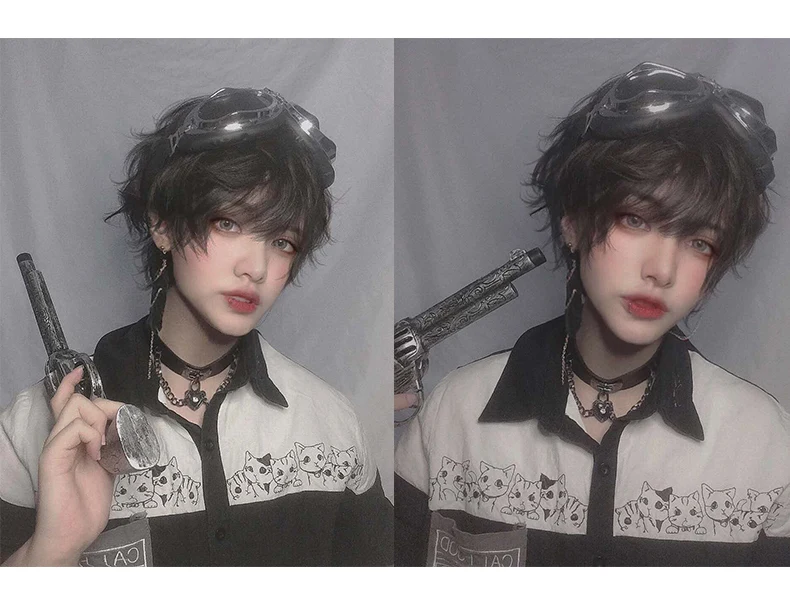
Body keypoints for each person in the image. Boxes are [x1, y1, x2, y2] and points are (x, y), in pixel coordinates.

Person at [394, 62, 790, 566]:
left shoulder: (765, 441)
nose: (662, 270)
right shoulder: (454, 412)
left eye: (700, 242)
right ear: (574, 225)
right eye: (635, 219)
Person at [1, 87, 392, 566]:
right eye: (228, 223)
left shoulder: (330, 423)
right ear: (162, 225)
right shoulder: (33, 427)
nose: (257, 268)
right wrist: (52, 549)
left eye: (283, 241)